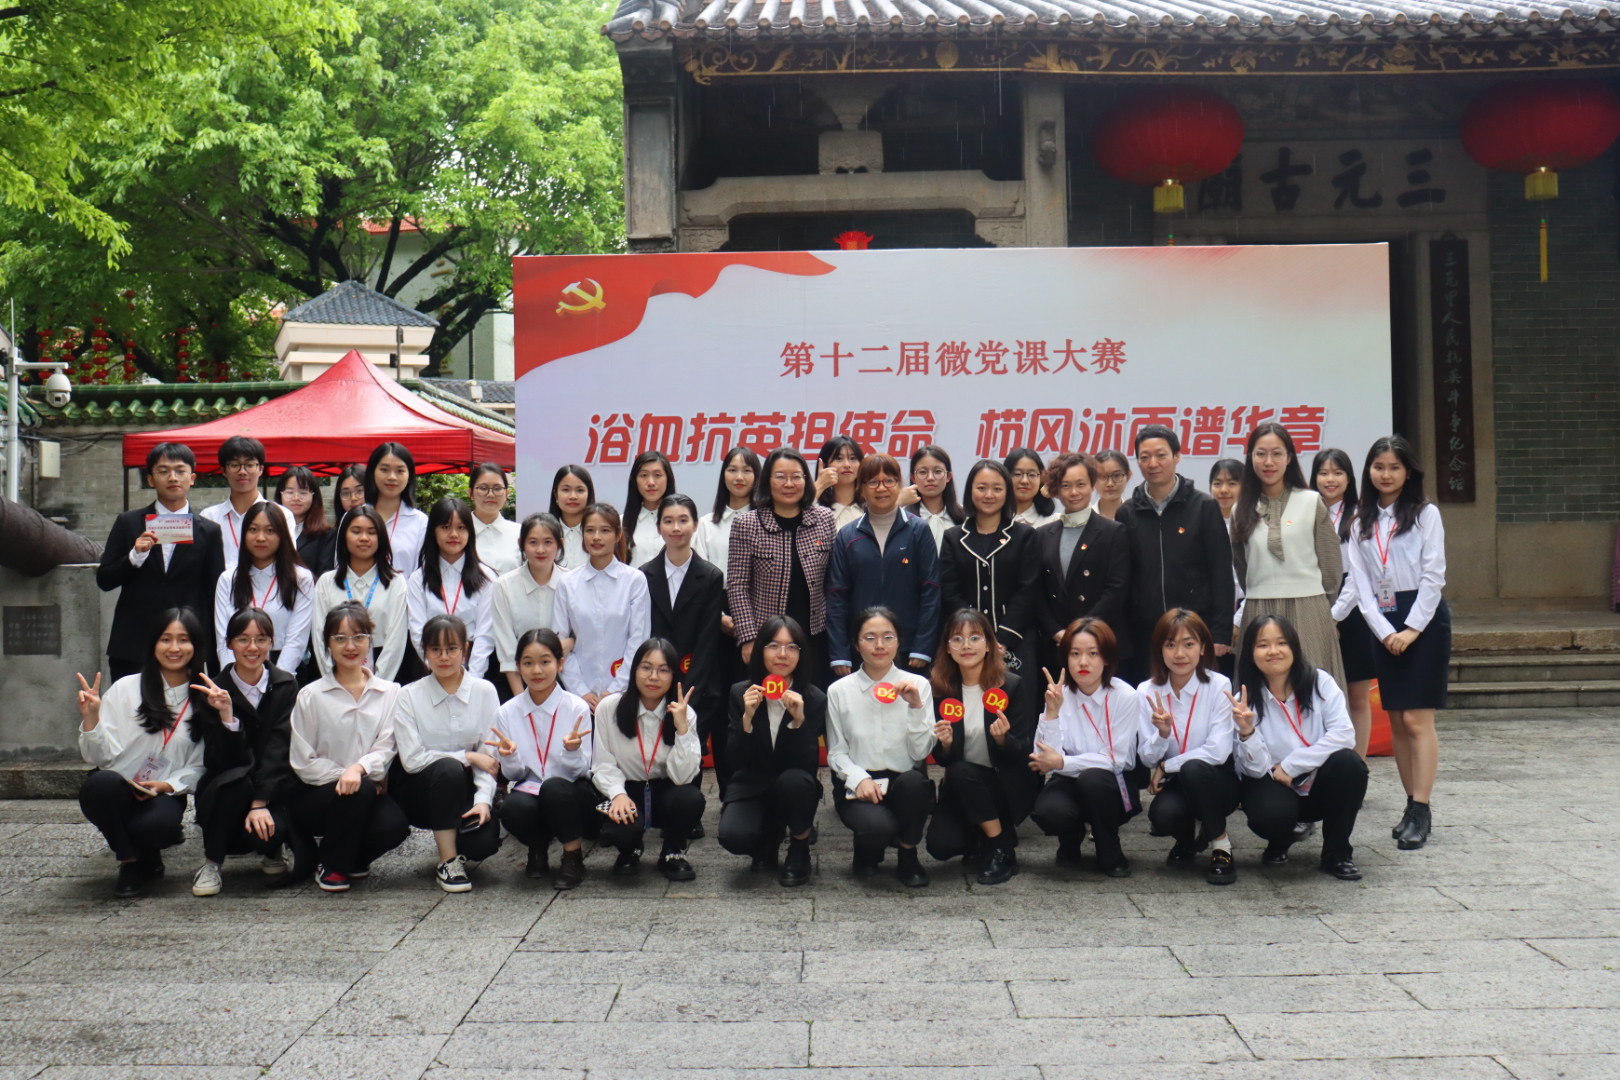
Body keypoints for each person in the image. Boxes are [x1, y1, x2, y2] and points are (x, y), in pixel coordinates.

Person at [1345, 435, 1451, 851]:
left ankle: (1422, 808)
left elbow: (1434, 576)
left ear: (1408, 472)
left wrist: (1411, 629)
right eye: (1378, 467)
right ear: (1368, 472)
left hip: (1423, 619)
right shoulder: (1359, 521)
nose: (1385, 474)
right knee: (1396, 720)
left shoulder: (1425, 515)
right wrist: (1385, 631)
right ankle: (1410, 803)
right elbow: (1360, 585)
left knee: (1417, 720)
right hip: (1383, 622)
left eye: (1394, 467)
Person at [75, 608, 217, 898]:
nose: (174, 648)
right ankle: (130, 861)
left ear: (196, 646)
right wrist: (91, 719)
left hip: (163, 793)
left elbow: (201, 764)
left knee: (157, 826)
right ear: (153, 644)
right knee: (100, 786)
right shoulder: (126, 689)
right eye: (166, 639)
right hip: (118, 787)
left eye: (183, 640)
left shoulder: (206, 697)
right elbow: (99, 758)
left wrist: (167, 785)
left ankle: (148, 852)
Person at [281, 602, 410, 892]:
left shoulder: (390, 692)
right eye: (340, 638)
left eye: (358, 637)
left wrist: (360, 769)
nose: (350, 646)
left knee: (395, 826)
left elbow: (386, 748)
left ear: (369, 641)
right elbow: (303, 761)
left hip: (367, 789)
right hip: (317, 796)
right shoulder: (311, 695)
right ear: (327, 643)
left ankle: (349, 858)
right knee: (359, 789)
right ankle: (331, 864)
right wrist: (350, 775)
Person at [1231, 614, 1368, 880]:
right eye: (1263, 645)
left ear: (1294, 647)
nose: (1273, 651)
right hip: (1275, 784)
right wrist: (1247, 732)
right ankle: (1280, 839)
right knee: (1268, 815)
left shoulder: (1320, 682)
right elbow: (1253, 769)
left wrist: (1293, 765)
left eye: (1281, 643)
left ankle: (1337, 853)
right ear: (1250, 653)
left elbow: (1344, 735)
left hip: (1318, 782)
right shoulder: (1244, 700)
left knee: (1349, 764)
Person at [190, 606, 300, 896]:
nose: (253, 647)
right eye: (243, 639)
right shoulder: (214, 689)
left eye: (261, 639)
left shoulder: (286, 685)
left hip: (272, 786)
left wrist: (260, 802)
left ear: (272, 643)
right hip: (226, 788)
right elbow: (220, 760)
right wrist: (227, 717)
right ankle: (212, 862)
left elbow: (280, 748)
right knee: (235, 782)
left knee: (271, 829)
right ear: (229, 643)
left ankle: (272, 850)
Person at [924, 609, 1039, 886]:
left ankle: (1001, 847)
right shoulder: (940, 689)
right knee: (940, 846)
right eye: (957, 639)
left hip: (1003, 784)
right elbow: (942, 758)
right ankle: (982, 836)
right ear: (947, 648)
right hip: (962, 788)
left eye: (975, 638)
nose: (966, 645)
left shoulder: (1011, 686)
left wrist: (1002, 739)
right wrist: (946, 745)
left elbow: (1022, 751)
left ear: (989, 645)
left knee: (961, 770)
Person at [390, 614, 503, 892]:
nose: (443, 657)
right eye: (435, 649)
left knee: (483, 845)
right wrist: (467, 757)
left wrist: (483, 801)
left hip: (465, 791)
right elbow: (412, 760)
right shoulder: (408, 695)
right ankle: (448, 861)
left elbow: (489, 758)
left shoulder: (484, 691)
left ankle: (456, 839)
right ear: (424, 651)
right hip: (420, 793)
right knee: (448, 768)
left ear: (465, 649)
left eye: (452, 649)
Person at [1028, 616, 1147, 877]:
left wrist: (1062, 762)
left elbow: (1117, 760)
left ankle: (1109, 848)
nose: (1083, 662)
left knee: (1093, 780)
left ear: (1107, 658)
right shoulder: (1059, 694)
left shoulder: (1125, 696)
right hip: (1068, 779)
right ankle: (1069, 841)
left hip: (1112, 782)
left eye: (1093, 653)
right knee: (1049, 811)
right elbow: (1042, 757)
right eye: (1075, 654)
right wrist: (1051, 713)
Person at [1230, 421, 1345, 689]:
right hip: (1258, 608)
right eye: (1260, 454)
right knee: (1261, 690)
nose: (1268, 462)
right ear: (1250, 458)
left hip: (1309, 608)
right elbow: (1241, 566)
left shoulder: (1311, 501)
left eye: (1277, 453)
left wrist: (1321, 605)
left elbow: (1330, 563)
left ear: (1289, 457)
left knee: (1312, 687)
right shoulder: (1240, 509)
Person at [1116, 424, 1235, 684]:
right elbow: (1123, 578)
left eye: (1161, 455)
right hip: (1145, 634)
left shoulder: (1203, 506)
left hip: (1195, 629)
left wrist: (1220, 633)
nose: (1153, 463)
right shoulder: (1127, 513)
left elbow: (1221, 573)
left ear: (1177, 456)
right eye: (1144, 457)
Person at [826, 607, 936, 886]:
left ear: (899, 642)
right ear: (856, 644)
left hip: (903, 781)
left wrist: (915, 707)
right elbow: (836, 752)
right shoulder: (839, 690)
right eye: (870, 638)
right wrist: (858, 778)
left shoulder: (918, 685)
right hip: (860, 784)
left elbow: (920, 753)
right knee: (877, 828)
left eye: (888, 637)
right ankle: (867, 850)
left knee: (916, 784)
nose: (879, 645)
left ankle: (908, 854)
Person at [97, 443, 225, 679]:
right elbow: (104, 580)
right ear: (150, 479)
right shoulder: (128, 523)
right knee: (130, 702)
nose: (172, 477)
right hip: (134, 642)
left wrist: (212, 650)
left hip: (186, 643)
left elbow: (214, 593)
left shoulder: (209, 531)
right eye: (163, 471)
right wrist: (135, 557)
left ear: (192, 478)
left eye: (180, 471)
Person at [717, 616, 825, 887]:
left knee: (796, 782)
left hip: (793, 784)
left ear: (801, 653)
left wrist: (798, 722)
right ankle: (769, 834)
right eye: (774, 646)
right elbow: (734, 760)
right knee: (733, 836)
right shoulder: (740, 693)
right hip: (752, 783)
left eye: (791, 647)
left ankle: (799, 847)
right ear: (760, 650)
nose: (782, 654)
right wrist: (747, 719)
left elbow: (808, 765)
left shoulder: (813, 698)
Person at [1136, 609, 1239, 886]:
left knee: (1194, 769)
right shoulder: (1146, 691)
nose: (1179, 654)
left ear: (1203, 647)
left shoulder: (1219, 685)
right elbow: (1146, 757)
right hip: (1177, 783)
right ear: (1160, 650)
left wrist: (1166, 765)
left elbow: (1218, 751)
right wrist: (1162, 735)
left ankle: (1222, 846)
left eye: (1188, 644)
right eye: (1170, 645)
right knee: (1162, 816)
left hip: (1217, 779)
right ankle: (1188, 841)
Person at [591, 638, 705, 880]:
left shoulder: (684, 712)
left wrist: (682, 729)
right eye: (646, 667)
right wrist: (617, 794)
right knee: (621, 830)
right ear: (634, 670)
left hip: (666, 789)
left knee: (690, 798)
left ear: (673, 676)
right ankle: (630, 850)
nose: (653, 677)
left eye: (663, 670)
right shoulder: (609, 708)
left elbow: (684, 777)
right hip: (627, 789)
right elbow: (602, 764)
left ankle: (673, 851)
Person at [491, 628, 596, 889]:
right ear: (518, 667)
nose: (536, 670)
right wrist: (509, 756)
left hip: (569, 790)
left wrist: (571, 751)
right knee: (513, 808)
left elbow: (583, 770)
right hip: (530, 789)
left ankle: (573, 856)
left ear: (560, 664)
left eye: (545, 662)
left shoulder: (576, 707)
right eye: (528, 663)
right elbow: (514, 776)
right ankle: (537, 846)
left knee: (554, 788)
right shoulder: (507, 712)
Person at [727, 448, 837, 687]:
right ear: (767, 480)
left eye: (796, 477)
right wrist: (748, 638)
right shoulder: (746, 524)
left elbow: (833, 580)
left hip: (814, 636)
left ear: (806, 480)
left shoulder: (824, 519)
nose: (789, 484)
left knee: (811, 700)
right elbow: (737, 585)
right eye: (780, 477)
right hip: (766, 640)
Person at [640, 494, 725, 802]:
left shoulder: (711, 576)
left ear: (695, 525)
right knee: (656, 745)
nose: (676, 528)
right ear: (659, 527)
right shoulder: (643, 575)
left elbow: (707, 639)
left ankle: (689, 809)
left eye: (683, 520)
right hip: (654, 678)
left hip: (697, 680)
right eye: (668, 521)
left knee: (691, 746)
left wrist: (689, 691)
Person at [826, 454, 942, 679]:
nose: (881, 488)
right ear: (861, 489)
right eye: (873, 482)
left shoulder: (918, 530)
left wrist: (923, 647)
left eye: (889, 481)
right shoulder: (847, 536)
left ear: (899, 484)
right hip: (860, 649)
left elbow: (931, 591)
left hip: (908, 649)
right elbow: (837, 597)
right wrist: (840, 652)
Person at [1031, 452, 1131, 675]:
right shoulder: (1042, 534)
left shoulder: (1114, 531)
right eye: (1065, 485)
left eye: (1081, 484)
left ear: (1093, 485)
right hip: (1056, 646)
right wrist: (1056, 632)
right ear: (1056, 489)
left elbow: (1116, 589)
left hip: (1101, 643)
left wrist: (1082, 632)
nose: (1074, 492)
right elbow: (1036, 592)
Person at [940, 459, 1039, 673]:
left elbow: (1028, 591)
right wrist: (974, 637)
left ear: (1007, 492)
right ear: (970, 491)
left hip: (1016, 641)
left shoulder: (1025, 536)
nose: (989, 495)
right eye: (981, 488)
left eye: (997, 489)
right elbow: (949, 592)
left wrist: (1003, 639)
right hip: (966, 644)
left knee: (1016, 694)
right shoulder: (953, 538)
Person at [554, 503, 653, 708]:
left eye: (605, 530)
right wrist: (580, 690)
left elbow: (638, 640)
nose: (596, 537)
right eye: (590, 530)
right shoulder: (568, 583)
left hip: (624, 693)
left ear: (618, 535)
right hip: (578, 698)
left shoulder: (634, 580)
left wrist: (616, 689)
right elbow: (560, 644)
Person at [1312, 448, 1376, 755]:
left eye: (1338, 473)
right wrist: (1322, 614)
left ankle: (1357, 764)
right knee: (1318, 691)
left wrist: (1335, 616)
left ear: (1349, 479)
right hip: (1314, 605)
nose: (1330, 479)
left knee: (1356, 695)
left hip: (1353, 610)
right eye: (1323, 473)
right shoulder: (1306, 512)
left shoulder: (1361, 516)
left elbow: (1359, 576)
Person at [212, 501, 315, 675]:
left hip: (283, 671)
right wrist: (233, 680)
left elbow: (296, 641)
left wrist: (278, 682)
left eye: (270, 531)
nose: (260, 537)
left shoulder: (301, 579)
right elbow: (223, 639)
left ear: (282, 535)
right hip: (238, 672)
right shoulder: (228, 580)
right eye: (253, 530)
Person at [312, 506, 408, 682]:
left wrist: (377, 685)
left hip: (384, 671)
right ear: (344, 537)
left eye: (371, 532)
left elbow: (396, 640)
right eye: (356, 531)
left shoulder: (395, 583)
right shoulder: (326, 582)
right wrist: (334, 681)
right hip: (336, 671)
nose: (364, 538)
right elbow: (319, 637)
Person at [406, 498, 496, 683]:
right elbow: (417, 631)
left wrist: (471, 678)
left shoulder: (486, 578)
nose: (454, 534)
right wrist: (435, 667)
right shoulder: (418, 579)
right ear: (433, 531)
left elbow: (486, 634)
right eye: (446, 527)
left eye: (461, 528)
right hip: (430, 669)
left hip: (475, 666)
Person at [492, 513, 571, 697]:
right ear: (521, 544)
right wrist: (522, 702)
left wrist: (572, 642)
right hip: (518, 682)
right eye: (533, 542)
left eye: (548, 542)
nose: (540, 550)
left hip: (566, 681)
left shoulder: (572, 582)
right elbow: (507, 651)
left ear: (560, 544)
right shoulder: (504, 586)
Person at [199, 436, 296, 570]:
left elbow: (288, 562)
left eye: (250, 465)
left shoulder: (282, 515)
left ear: (261, 469)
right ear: (224, 471)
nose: (242, 472)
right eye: (234, 465)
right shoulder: (209, 517)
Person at [694, 446, 759, 586]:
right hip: (714, 596)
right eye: (732, 470)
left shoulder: (766, 524)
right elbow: (699, 574)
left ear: (756, 477)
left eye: (747, 471)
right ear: (723, 476)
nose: (739, 477)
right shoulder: (705, 524)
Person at [365, 442, 428, 573]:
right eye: (384, 470)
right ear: (372, 472)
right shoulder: (354, 517)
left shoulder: (420, 522)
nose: (392, 477)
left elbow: (423, 572)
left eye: (400, 471)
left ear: (409, 476)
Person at [900, 444, 964, 552]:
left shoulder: (964, 516)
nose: (930, 478)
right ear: (913, 478)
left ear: (948, 477)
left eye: (937, 471)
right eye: (923, 472)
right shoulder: (902, 517)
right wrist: (896, 503)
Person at [276, 466, 336, 575]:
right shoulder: (271, 530)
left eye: (303, 492)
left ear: (314, 496)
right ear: (280, 494)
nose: (296, 498)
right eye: (290, 492)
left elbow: (324, 576)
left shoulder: (326, 536)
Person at [620, 450, 675, 568]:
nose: (651, 482)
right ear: (635, 480)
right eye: (644, 475)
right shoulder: (620, 523)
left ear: (668, 479)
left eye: (657, 475)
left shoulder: (681, 523)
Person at [468, 463, 520, 577]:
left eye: (497, 488)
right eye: (483, 488)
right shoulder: (460, 533)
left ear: (506, 493)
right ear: (470, 493)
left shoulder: (520, 532)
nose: (491, 494)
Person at [548, 464, 594, 569]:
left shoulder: (599, 534)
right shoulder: (545, 533)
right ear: (556, 494)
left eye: (580, 490)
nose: (573, 496)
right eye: (566, 490)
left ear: (589, 494)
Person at [814, 435, 865, 530]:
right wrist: (819, 485)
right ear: (825, 465)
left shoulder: (871, 508)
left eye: (852, 458)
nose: (847, 465)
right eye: (839, 458)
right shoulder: (816, 508)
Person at [1004, 447, 1055, 527]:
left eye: (1032, 475)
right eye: (1017, 474)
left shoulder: (1054, 522)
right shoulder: (992, 520)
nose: (1025, 481)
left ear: (1041, 478)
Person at [1093, 450, 1132, 521]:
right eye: (1103, 476)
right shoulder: (1084, 520)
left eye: (1116, 475)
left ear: (1128, 476)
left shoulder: (1137, 518)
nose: (1110, 484)